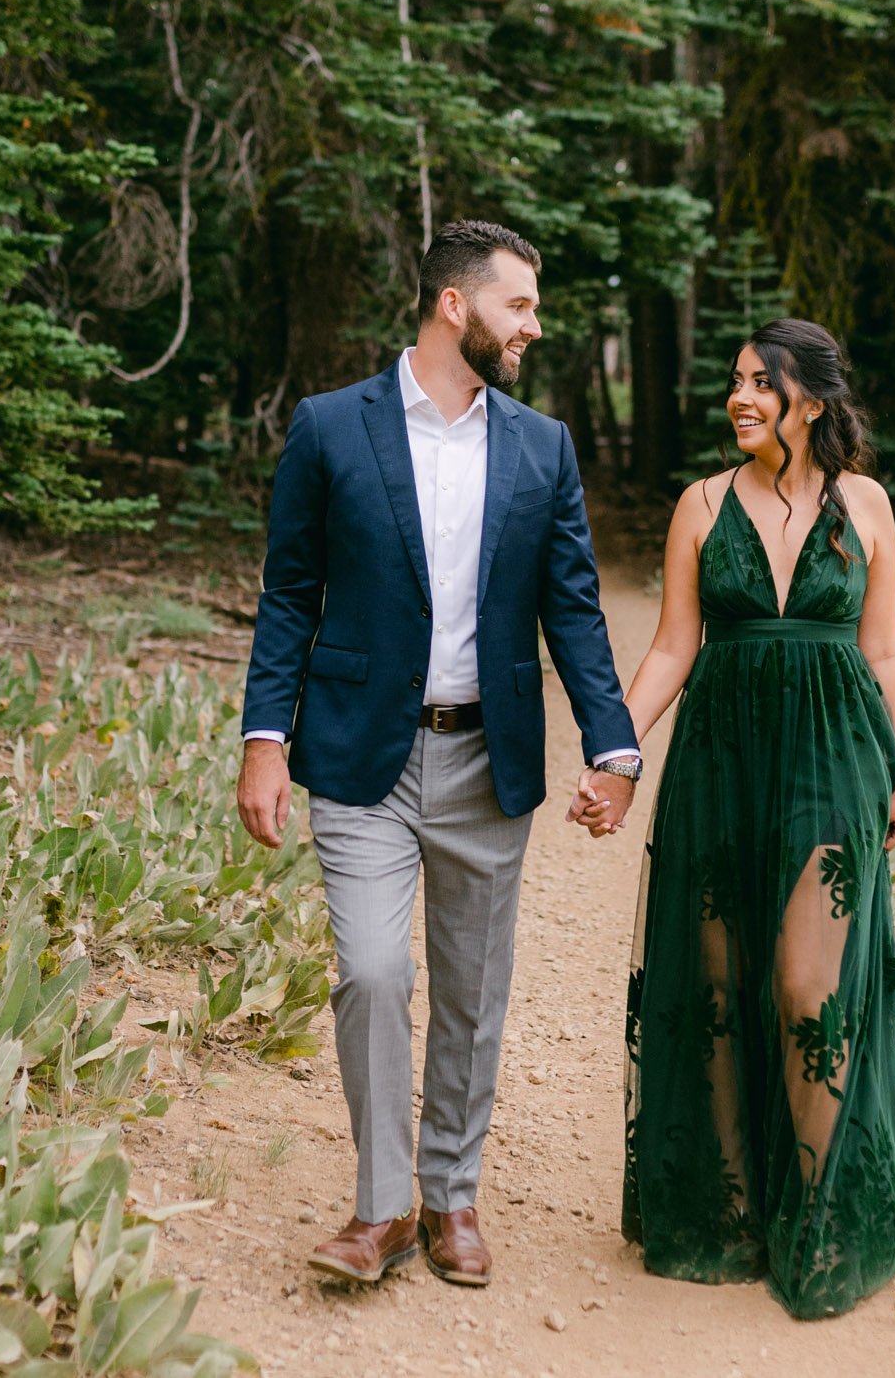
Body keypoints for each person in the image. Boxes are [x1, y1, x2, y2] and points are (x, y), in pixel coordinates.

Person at [237, 218, 639, 1290]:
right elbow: (288, 596)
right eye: (520, 306)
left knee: (471, 989)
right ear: (455, 305)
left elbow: (575, 609)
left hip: (487, 759)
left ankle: (450, 1194)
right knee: (371, 970)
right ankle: (380, 1209)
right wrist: (264, 740)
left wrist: (614, 746)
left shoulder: (541, 445)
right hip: (363, 754)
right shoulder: (331, 428)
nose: (533, 326)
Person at [572, 318, 895, 1319]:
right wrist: (616, 750)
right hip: (721, 760)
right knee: (721, 994)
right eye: (735, 381)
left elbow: (884, 650)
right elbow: (674, 648)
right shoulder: (699, 505)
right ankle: (728, 1217)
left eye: (761, 383)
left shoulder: (865, 506)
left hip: (833, 759)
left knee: (812, 990)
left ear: (809, 400)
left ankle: (819, 1219)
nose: (740, 398)